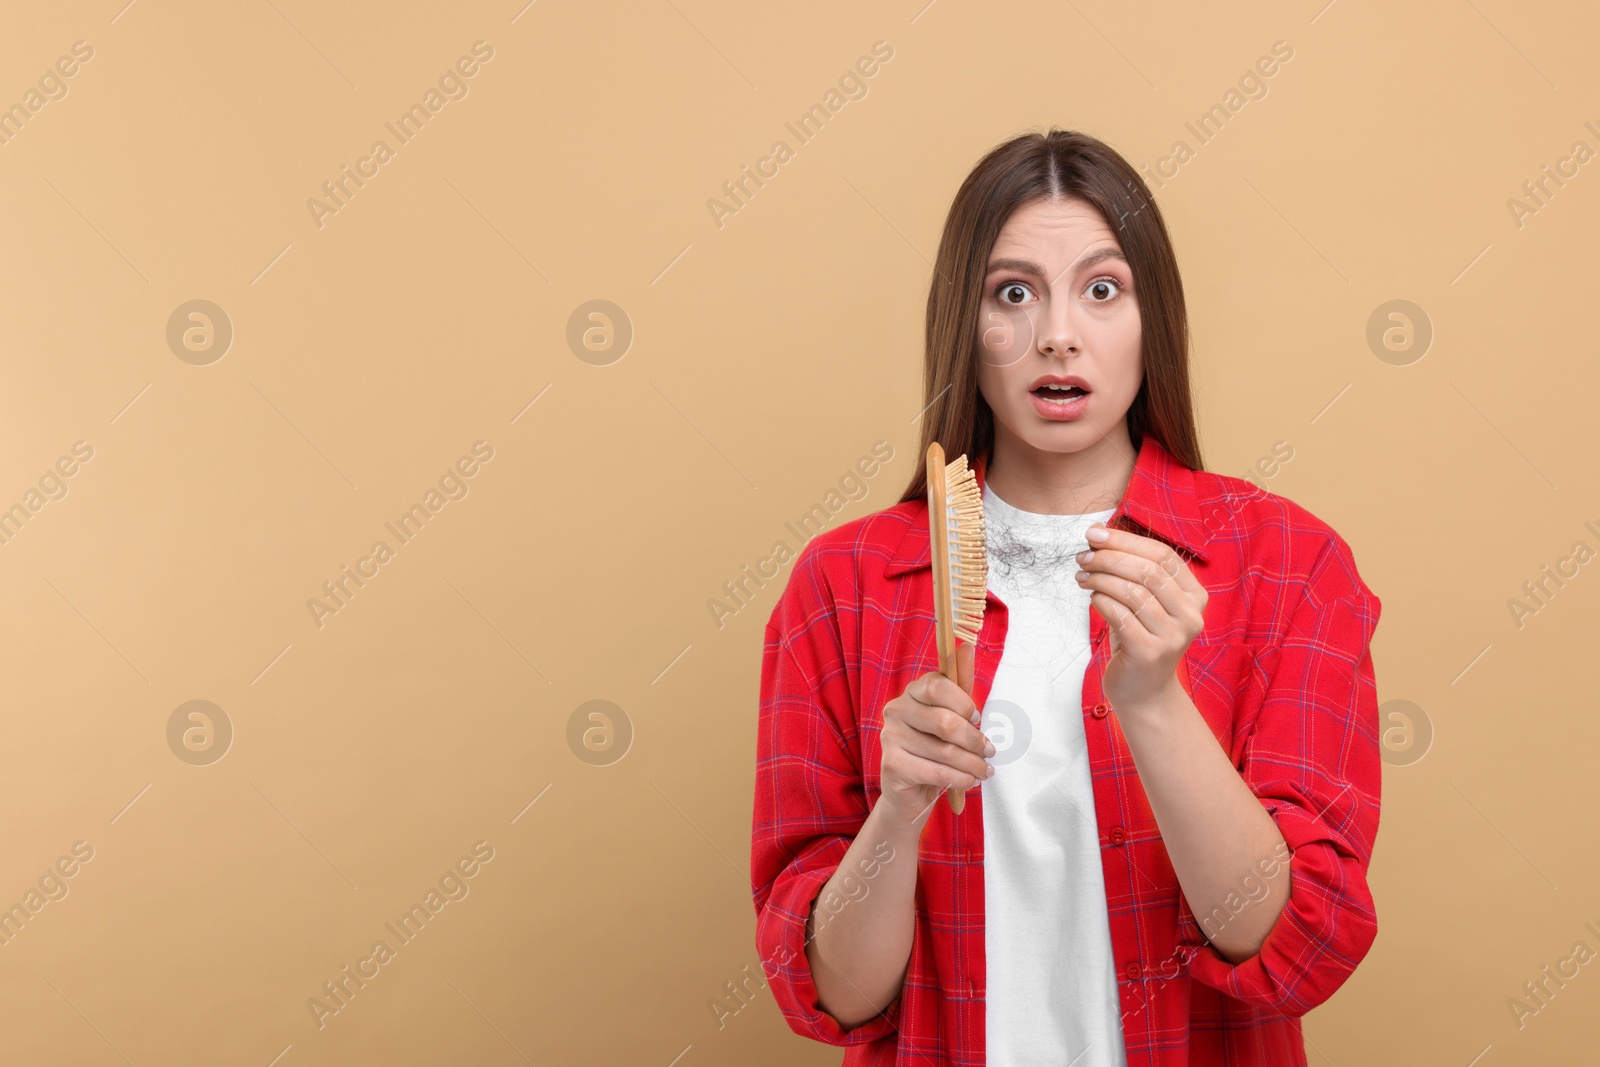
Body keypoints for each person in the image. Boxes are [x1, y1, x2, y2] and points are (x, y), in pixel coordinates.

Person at [750, 127, 1383, 1066]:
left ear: (1149, 318)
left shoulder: (1290, 562)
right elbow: (834, 995)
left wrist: (1155, 701)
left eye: (1101, 288)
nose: (1056, 332)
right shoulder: (841, 586)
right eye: (1013, 292)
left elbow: (1294, 953)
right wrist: (900, 806)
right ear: (965, 323)